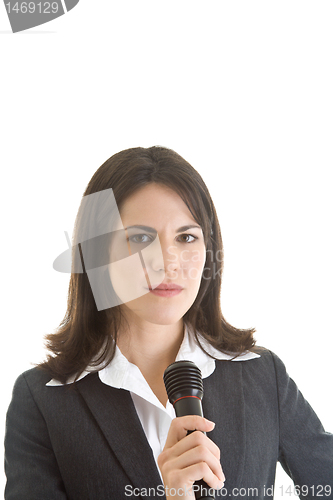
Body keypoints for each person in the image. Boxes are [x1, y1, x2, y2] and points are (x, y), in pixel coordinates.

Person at [4, 146, 333, 500]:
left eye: (186, 237)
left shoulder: (262, 376)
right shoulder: (42, 399)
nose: (168, 262)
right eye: (141, 238)